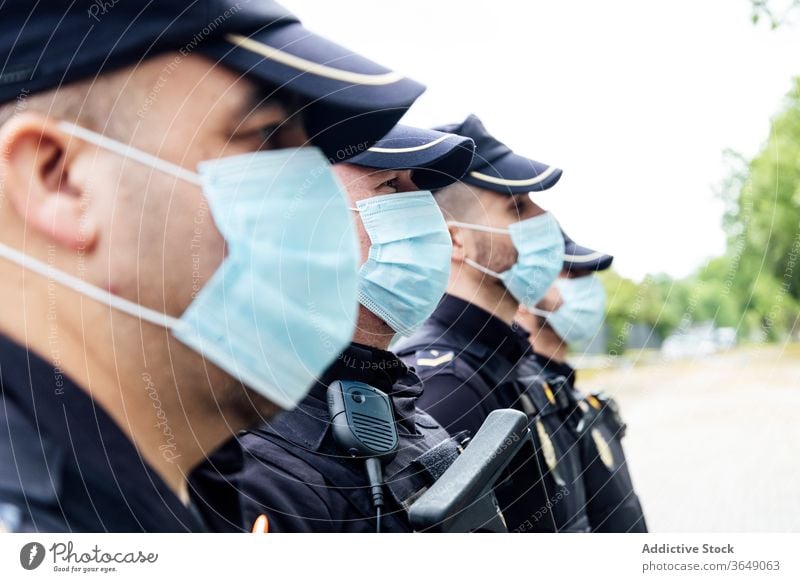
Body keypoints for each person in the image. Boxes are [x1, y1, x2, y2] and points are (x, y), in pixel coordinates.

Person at [0, 0, 425, 532]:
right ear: (59, 180)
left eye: (311, 155)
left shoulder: (185, 487)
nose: (319, 203)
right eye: (265, 136)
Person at [190, 125, 479, 533]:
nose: (425, 214)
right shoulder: (254, 463)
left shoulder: (401, 404)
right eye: (391, 185)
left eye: (422, 190)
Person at [395, 114, 594, 532]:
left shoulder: (498, 360)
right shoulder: (448, 385)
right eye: (518, 206)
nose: (543, 219)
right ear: (455, 239)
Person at [515, 232, 648, 532]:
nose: (587, 288)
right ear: (523, 291)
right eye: (571, 274)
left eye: (588, 276)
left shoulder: (572, 397)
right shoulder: (518, 402)